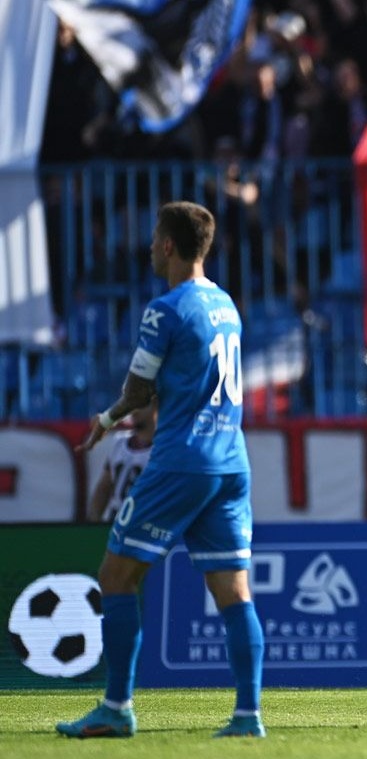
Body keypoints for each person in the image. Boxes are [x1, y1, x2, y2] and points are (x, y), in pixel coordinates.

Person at [57, 202, 263, 739]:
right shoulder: (226, 305)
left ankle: (117, 707)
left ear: (169, 245)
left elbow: (139, 390)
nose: (149, 246)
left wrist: (106, 418)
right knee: (233, 591)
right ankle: (247, 716)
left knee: (116, 576)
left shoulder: (165, 310)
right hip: (230, 462)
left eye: (154, 238)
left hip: (181, 461)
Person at [86, 401, 157, 522]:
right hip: (115, 525)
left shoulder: (166, 450)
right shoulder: (119, 442)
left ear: (156, 405)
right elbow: (103, 489)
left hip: (146, 527)